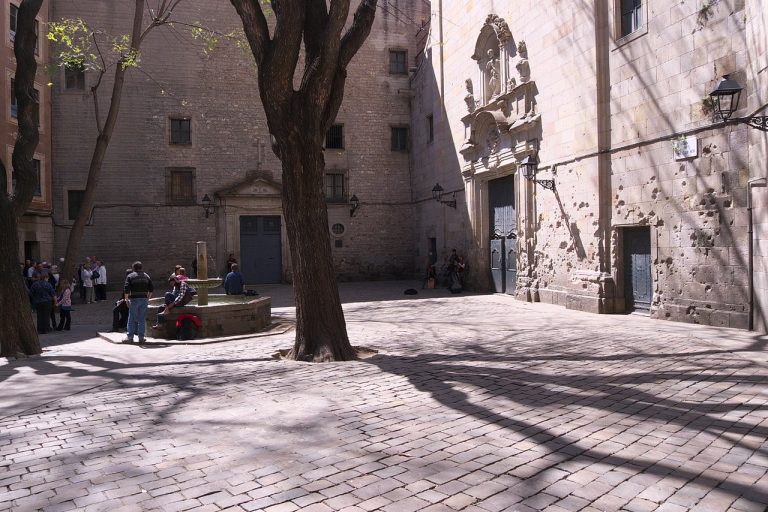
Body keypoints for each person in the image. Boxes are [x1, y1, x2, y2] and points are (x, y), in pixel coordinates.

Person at [123, 261, 154, 344]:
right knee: (142, 318)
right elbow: (151, 289)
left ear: (134, 268)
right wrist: (147, 298)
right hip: (143, 299)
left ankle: (130, 337)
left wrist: (126, 299)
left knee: (131, 318)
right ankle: (141, 337)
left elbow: (126, 289)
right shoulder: (146, 276)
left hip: (134, 299)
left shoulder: (130, 276)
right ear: (141, 268)